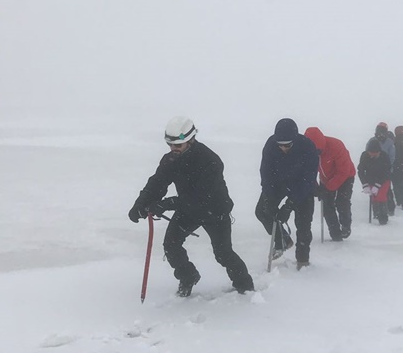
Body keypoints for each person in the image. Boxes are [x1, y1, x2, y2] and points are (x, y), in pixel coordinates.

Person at [128, 116, 254, 297]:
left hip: (214, 210)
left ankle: (246, 287)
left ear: (191, 140)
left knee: (223, 253)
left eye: (177, 145)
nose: (173, 149)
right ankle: (188, 276)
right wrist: (140, 205)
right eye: (170, 145)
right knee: (171, 246)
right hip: (188, 210)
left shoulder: (210, 161)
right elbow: (157, 183)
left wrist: (167, 204)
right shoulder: (170, 160)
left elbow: (202, 197)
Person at [256, 118, 319, 268]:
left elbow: (308, 179)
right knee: (262, 211)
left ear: (295, 139)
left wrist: (289, 205)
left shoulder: (308, 147)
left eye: (287, 145)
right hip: (278, 184)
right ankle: (283, 240)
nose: (283, 148)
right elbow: (266, 173)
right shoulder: (271, 145)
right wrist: (269, 198)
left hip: (302, 188)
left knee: (303, 224)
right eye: (280, 145)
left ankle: (302, 260)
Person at [304, 126, 356, 240]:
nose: (316, 154)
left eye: (318, 151)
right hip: (325, 178)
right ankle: (335, 233)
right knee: (327, 205)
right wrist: (315, 187)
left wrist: (328, 188)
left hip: (346, 176)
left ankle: (346, 225)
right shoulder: (305, 151)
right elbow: (306, 171)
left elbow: (343, 171)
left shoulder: (336, 145)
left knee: (342, 201)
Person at [357, 138, 392, 224]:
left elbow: (386, 172)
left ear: (379, 152)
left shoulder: (384, 156)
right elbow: (361, 170)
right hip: (370, 179)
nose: (372, 155)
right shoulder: (364, 156)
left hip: (384, 180)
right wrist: (364, 184)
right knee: (374, 196)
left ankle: (383, 217)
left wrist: (378, 185)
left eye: (374, 153)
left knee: (381, 196)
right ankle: (376, 213)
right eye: (370, 153)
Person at [374, 122, 396, 216]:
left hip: (380, 170)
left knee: (380, 189)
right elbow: (392, 157)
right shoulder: (389, 142)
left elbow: (392, 157)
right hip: (380, 170)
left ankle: (381, 210)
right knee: (383, 190)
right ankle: (383, 209)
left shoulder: (388, 142)